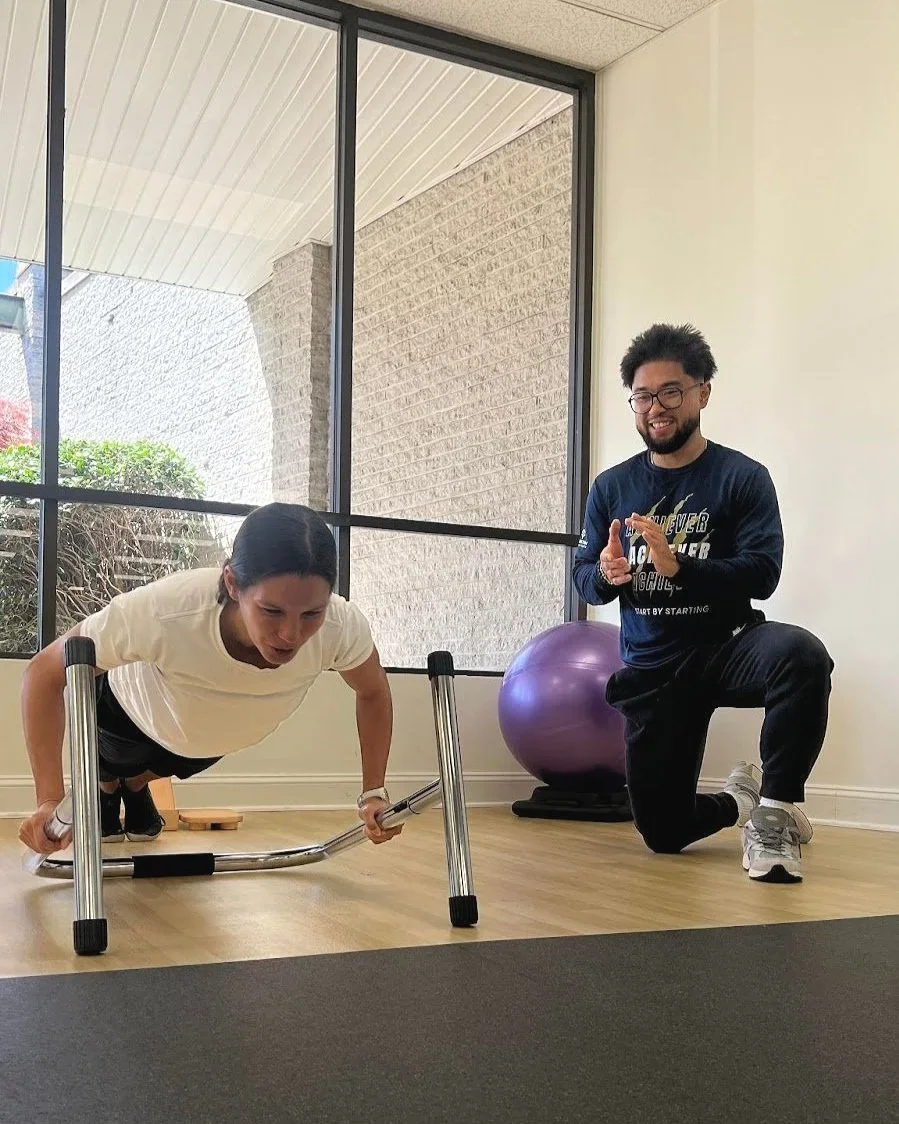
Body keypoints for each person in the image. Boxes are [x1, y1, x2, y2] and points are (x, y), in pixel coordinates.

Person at [573, 323, 833, 883]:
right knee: (663, 835)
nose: (656, 408)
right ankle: (742, 801)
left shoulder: (742, 477)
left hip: (729, 646)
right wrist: (608, 573)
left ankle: (777, 811)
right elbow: (584, 580)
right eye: (643, 396)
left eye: (671, 392)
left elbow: (763, 573)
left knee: (801, 655)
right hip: (654, 666)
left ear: (702, 393)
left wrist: (679, 568)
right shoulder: (611, 488)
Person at [18, 503, 402, 855]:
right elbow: (42, 673)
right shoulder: (168, 608)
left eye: (311, 614)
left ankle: (134, 788)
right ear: (233, 583)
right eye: (271, 610)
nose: (291, 634)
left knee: (177, 757)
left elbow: (372, 691)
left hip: (206, 737)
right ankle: (108, 787)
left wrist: (373, 793)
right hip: (129, 714)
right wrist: (48, 800)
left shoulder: (340, 624)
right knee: (119, 760)